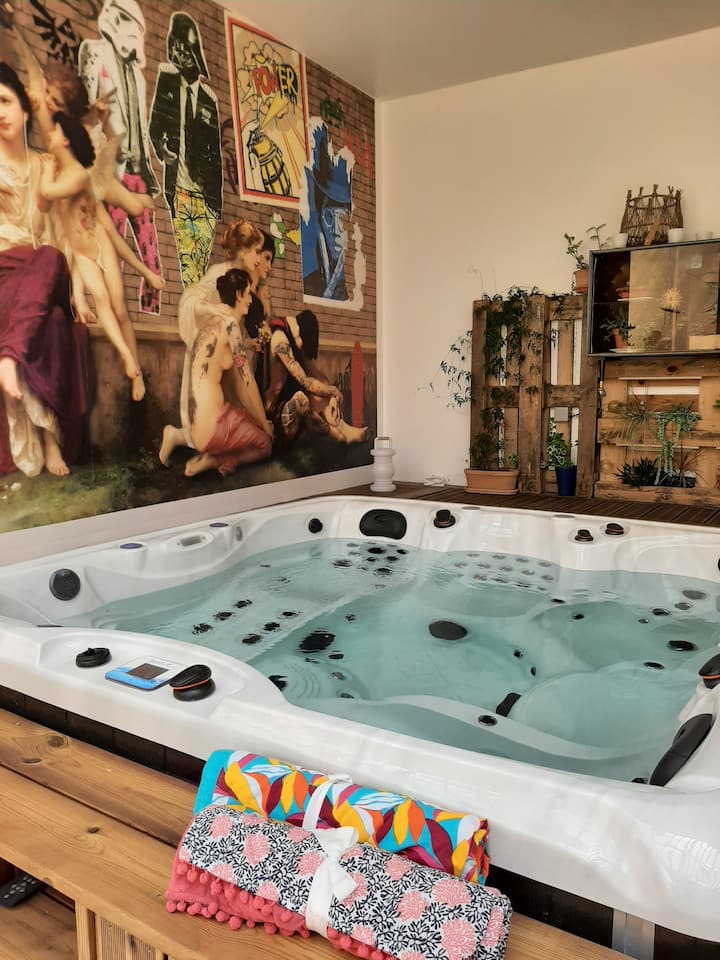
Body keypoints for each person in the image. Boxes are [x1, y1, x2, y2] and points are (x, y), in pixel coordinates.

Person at [0, 62, 92, 477]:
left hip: (41, 270)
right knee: (53, 322)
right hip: (4, 279)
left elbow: (62, 236)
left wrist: (79, 295)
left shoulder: (45, 165)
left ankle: (9, 356)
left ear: (25, 111)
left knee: (51, 258)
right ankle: (49, 440)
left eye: (5, 101)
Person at [40, 111, 164, 401]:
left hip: (99, 246)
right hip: (82, 254)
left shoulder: (78, 176)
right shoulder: (63, 173)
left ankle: (136, 373)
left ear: (65, 139)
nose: (49, 136)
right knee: (101, 300)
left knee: (119, 309)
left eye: (54, 131)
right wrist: (78, 295)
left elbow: (48, 191)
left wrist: (145, 272)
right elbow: (49, 207)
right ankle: (127, 359)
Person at [79, 0, 163, 313]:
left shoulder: (138, 76)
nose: (136, 36)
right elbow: (88, 111)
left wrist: (148, 174)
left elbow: (139, 127)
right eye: (132, 27)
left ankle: (150, 310)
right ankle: (110, 308)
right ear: (114, 21)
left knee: (150, 250)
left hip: (137, 170)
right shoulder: (94, 51)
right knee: (112, 247)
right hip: (111, 171)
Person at [159, 269, 272, 477]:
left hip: (195, 425)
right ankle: (215, 460)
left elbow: (229, 368)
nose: (250, 300)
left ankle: (175, 435)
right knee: (265, 444)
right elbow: (247, 381)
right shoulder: (230, 325)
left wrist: (247, 344)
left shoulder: (212, 323)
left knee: (243, 417)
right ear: (238, 294)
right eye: (248, 293)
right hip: (212, 429)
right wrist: (265, 425)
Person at [175, 219, 264, 452]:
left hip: (224, 354)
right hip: (207, 355)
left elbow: (230, 326)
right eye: (256, 252)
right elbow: (190, 302)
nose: (258, 259)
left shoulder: (241, 280)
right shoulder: (219, 273)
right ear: (243, 250)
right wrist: (212, 309)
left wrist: (245, 342)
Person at [149, 11, 222, 287]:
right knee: (190, 270)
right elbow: (155, 126)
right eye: (175, 48)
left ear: (195, 53)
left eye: (185, 49)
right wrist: (161, 149)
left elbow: (215, 156)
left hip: (204, 197)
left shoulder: (208, 101)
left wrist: (215, 206)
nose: (179, 55)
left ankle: (194, 313)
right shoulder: (167, 81)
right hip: (179, 190)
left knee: (198, 272)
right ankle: (193, 314)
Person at [261, 309, 367, 444]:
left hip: (286, 400)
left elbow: (318, 377)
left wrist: (331, 397)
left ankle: (343, 428)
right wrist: (333, 391)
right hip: (274, 414)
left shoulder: (295, 336)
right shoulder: (280, 339)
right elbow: (306, 383)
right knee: (302, 398)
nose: (301, 345)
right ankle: (334, 434)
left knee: (319, 391)